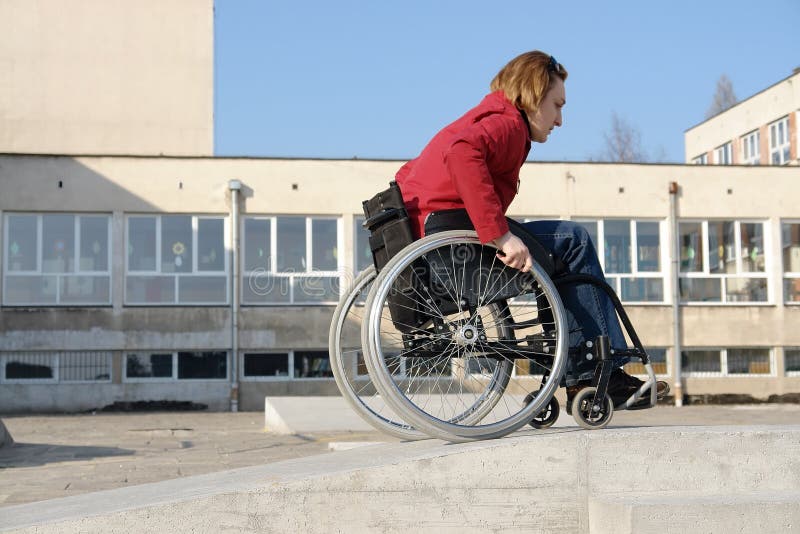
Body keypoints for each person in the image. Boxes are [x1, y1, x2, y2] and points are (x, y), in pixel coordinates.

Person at [394, 50, 669, 407]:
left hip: (436, 241)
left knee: (550, 254)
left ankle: (576, 375)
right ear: (533, 95)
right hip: (452, 248)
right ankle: (599, 374)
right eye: (557, 105)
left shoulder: (484, 118)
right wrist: (500, 234)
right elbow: (462, 155)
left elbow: (407, 178)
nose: (559, 120)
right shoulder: (506, 122)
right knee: (572, 241)